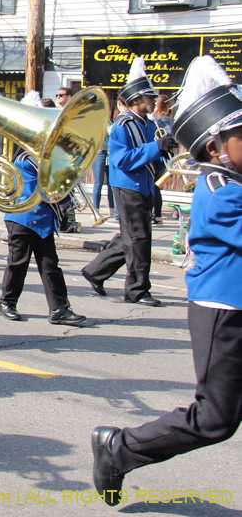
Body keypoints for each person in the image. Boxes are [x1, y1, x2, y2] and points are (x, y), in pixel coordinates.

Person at [91, 55, 242, 506]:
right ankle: (121, 446)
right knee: (214, 419)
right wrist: (158, 147)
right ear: (215, 146)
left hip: (142, 190)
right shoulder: (220, 193)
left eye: (148, 100)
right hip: (225, 311)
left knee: (135, 244)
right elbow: (123, 158)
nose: (145, 105)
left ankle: (133, 283)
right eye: (140, 100)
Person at [81, 58, 175, 306]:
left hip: (144, 185)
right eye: (149, 98)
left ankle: (95, 271)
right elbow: (122, 159)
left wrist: (164, 149)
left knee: (129, 237)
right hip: (127, 186)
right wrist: (156, 147)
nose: (154, 101)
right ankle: (136, 289)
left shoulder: (149, 123)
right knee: (139, 239)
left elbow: (150, 152)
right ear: (137, 100)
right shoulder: (123, 125)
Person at [0, 151, 86, 325]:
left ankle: (59, 309)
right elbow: (42, 192)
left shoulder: (50, 159)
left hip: (43, 220)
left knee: (50, 266)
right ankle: (7, 303)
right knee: (18, 264)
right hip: (24, 218)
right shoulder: (25, 160)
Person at [150, 93, 173, 226]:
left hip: (159, 156)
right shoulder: (163, 118)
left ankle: (157, 215)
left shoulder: (163, 119)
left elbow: (168, 135)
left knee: (155, 186)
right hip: (159, 154)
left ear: (160, 106)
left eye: (155, 103)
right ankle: (156, 214)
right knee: (155, 186)